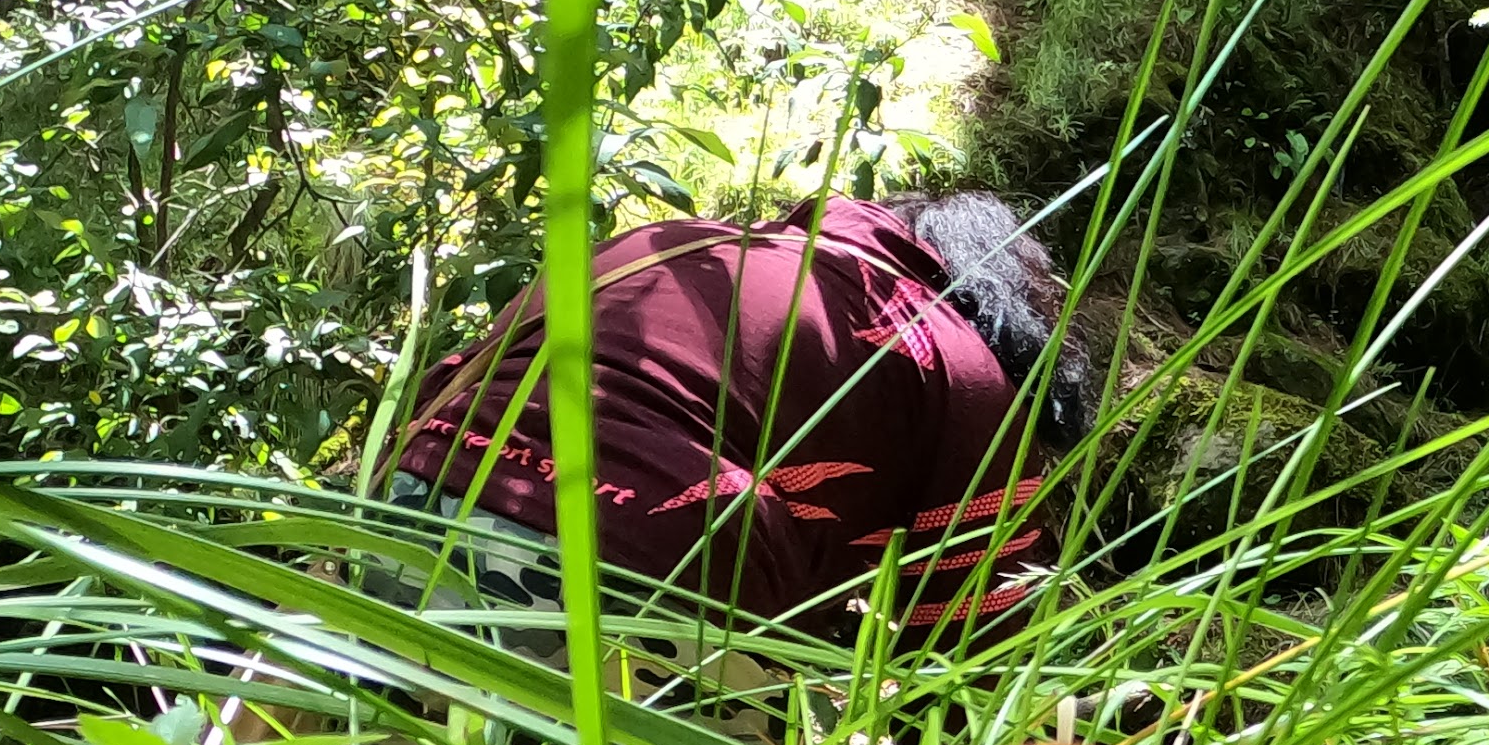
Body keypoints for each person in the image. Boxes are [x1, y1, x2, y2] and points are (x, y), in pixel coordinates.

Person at [389, 191, 1091, 635]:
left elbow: (451, 382)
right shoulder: (943, 349)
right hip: (634, 584)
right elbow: (968, 639)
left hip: (399, 519)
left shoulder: (667, 244)